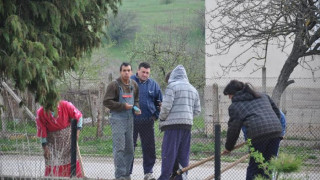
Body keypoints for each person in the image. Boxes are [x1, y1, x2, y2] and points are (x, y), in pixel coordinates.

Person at [222, 80, 283, 180]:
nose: (229, 98)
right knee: (267, 167)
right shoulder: (263, 96)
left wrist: (228, 147)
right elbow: (277, 112)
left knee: (254, 169)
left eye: (229, 95)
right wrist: (274, 127)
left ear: (234, 93)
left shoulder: (235, 106)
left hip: (258, 136)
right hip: (276, 133)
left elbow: (234, 129)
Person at [158, 65, 201, 180]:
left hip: (172, 126)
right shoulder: (193, 89)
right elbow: (197, 111)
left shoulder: (172, 87)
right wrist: (186, 115)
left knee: (169, 154)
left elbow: (166, 107)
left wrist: (162, 118)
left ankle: (165, 177)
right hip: (187, 126)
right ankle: (181, 177)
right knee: (183, 155)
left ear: (172, 76)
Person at [103, 62, 141, 180]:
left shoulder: (134, 85)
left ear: (131, 72)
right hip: (117, 119)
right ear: (120, 72)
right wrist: (123, 106)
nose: (126, 72)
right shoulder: (114, 85)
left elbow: (136, 100)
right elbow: (107, 102)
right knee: (119, 148)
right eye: (124, 70)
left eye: (128, 70)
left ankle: (126, 174)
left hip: (130, 119)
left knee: (129, 148)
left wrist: (136, 108)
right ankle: (119, 175)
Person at [130, 62, 162, 180]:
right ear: (138, 71)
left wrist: (156, 115)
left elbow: (160, 102)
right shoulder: (130, 82)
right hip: (131, 121)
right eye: (143, 72)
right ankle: (127, 173)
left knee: (149, 148)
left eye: (147, 73)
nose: (145, 74)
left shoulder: (153, 85)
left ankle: (148, 173)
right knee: (129, 147)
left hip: (148, 122)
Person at [36, 100, 84, 177]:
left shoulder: (66, 105)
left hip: (67, 140)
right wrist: (45, 148)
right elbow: (42, 130)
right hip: (52, 142)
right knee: (52, 164)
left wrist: (77, 133)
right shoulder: (41, 112)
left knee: (71, 163)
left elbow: (79, 116)